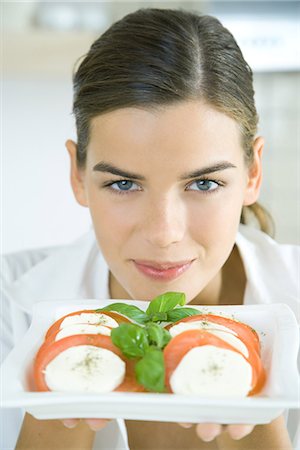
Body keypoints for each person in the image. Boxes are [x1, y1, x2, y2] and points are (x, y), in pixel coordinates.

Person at [1, 7, 299, 450]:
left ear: (253, 174)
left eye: (204, 183)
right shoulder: (9, 302)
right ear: (78, 175)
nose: (164, 233)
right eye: (123, 183)